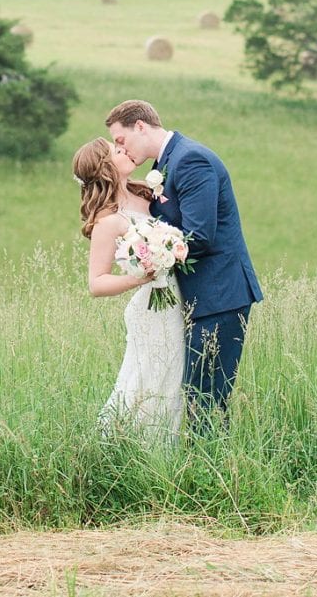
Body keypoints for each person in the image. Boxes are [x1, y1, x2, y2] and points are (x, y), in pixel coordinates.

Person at [104, 98, 262, 428]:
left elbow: (199, 236)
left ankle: (214, 474)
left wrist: (155, 258)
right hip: (196, 298)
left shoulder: (190, 160)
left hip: (219, 295)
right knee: (193, 396)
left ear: (141, 126)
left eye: (121, 140)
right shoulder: (162, 166)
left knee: (207, 400)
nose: (120, 148)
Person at [74, 136, 185, 440]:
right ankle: (121, 447)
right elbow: (96, 283)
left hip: (176, 300)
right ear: (106, 167)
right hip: (151, 307)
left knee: (173, 381)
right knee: (147, 382)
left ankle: (165, 451)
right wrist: (141, 277)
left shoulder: (145, 193)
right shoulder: (107, 221)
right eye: (117, 151)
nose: (125, 151)